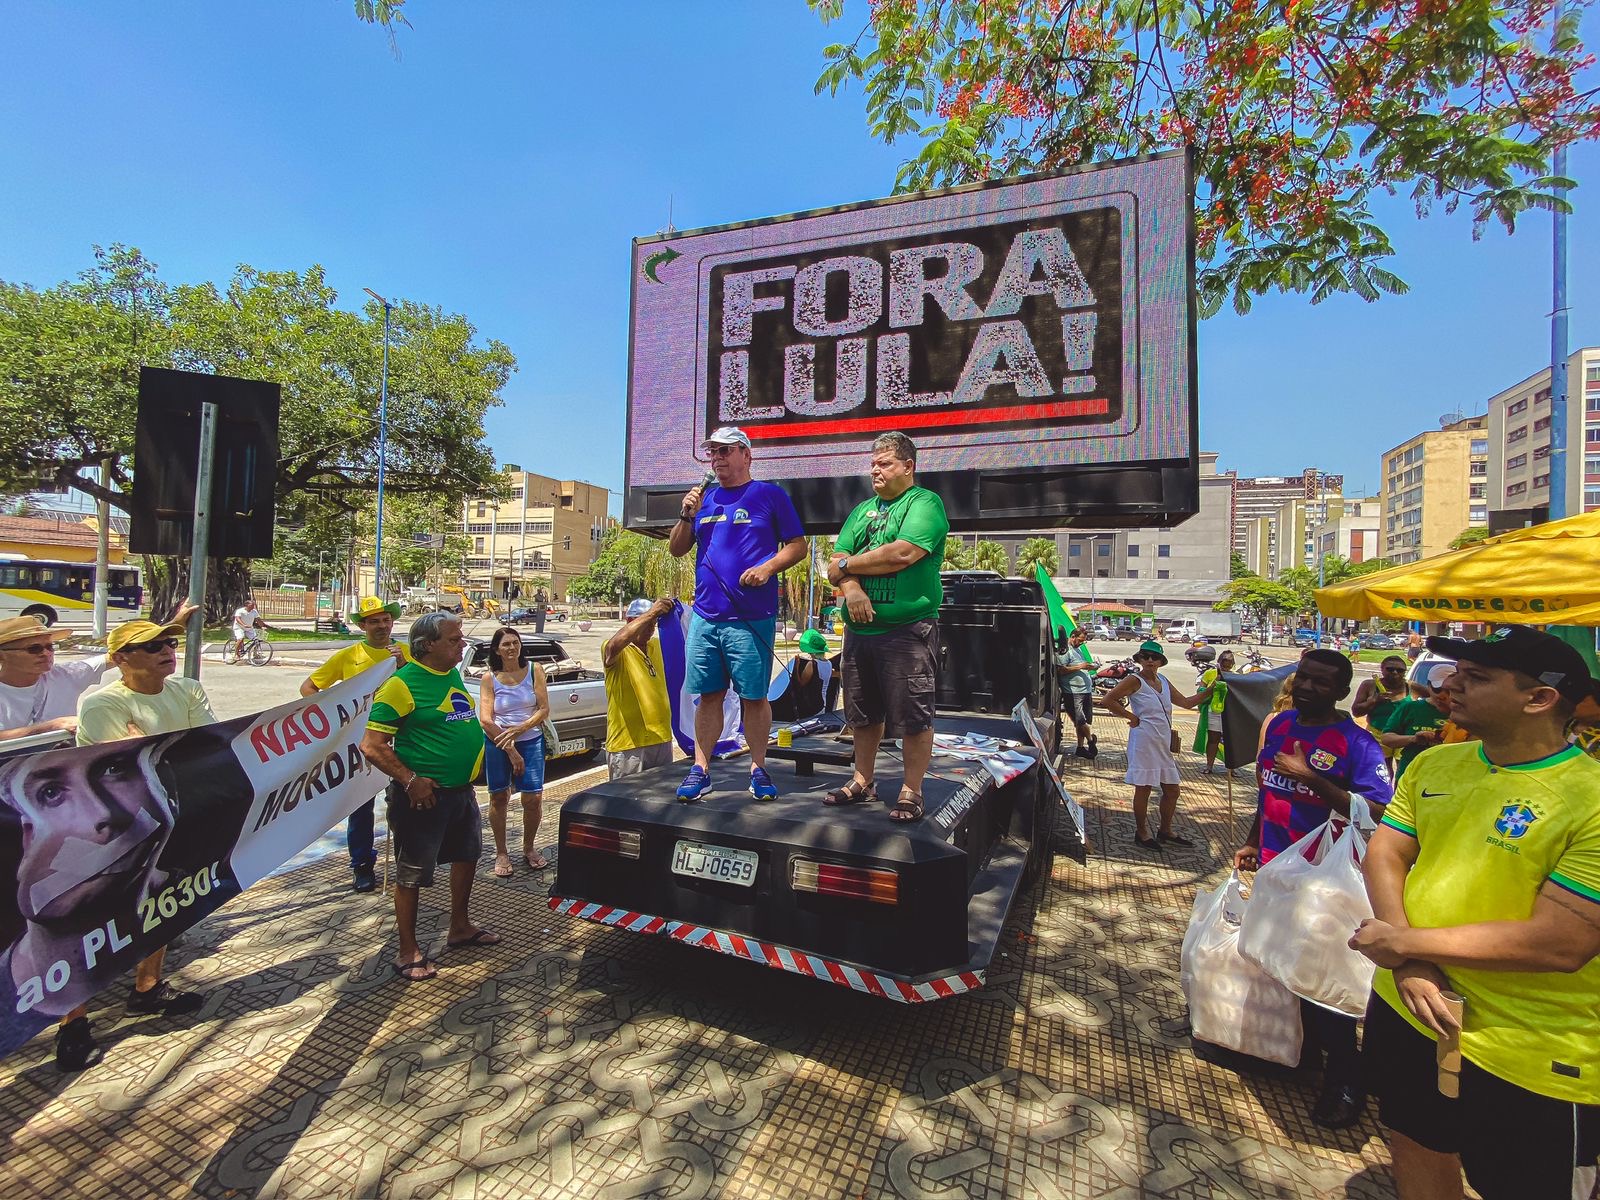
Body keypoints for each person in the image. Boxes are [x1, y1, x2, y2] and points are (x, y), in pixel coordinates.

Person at [1350, 626, 1600, 1200]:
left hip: (1529, 1045)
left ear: (1540, 699)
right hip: (1409, 1006)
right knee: (1415, 1143)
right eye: (1456, 670)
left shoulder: (1588, 798)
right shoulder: (1437, 765)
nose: (1450, 684)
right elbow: (1386, 852)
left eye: (1478, 678)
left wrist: (1408, 948)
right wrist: (1407, 961)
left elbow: (1562, 942)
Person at [1232, 647, 1394, 1129]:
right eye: (1303, 678)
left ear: (1342, 692)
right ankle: (1298, 1055)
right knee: (1280, 960)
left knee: (1324, 979)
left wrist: (1314, 780)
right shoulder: (1280, 726)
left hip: (1325, 880)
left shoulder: (1357, 744)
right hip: (1276, 868)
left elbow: (1382, 813)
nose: (1307, 688)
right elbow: (1269, 792)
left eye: (1321, 683)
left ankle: (1346, 1082)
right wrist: (1251, 839)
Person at [52, 616, 217, 1072]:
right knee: (89, 921)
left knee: (161, 905)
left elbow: (207, 748)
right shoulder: (101, 702)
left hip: (169, 820)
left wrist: (156, 749)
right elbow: (129, 766)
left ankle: (147, 989)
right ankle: (73, 1022)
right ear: (121, 659)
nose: (167, 649)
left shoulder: (186, 689)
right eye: (151, 645)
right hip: (104, 830)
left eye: (168, 641)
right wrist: (165, 752)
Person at [667, 426, 806, 802]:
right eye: (713, 452)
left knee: (753, 697)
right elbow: (677, 550)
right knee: (708, 697)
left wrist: (768, 567)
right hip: (705, 617)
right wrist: (685, 516)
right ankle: (700, 769)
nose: (717, 458)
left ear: (746, 454)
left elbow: (798, 546)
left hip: (750, 617)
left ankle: (758, 769)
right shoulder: (705, 501)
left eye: (725, 451)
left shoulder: (769, 495)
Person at [359, 612, 500, 982]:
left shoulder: (451, 673)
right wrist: (410, 780)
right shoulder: (400, 687)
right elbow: (372, 745)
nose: (462, 645)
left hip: (461, 794)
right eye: (454, 640)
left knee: (467, 857)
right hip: (423, 799)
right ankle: (408, 951)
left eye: (460, 638)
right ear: (428, 646)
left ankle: (460, 927)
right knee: (412, 875)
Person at [822, 432, 950, 822]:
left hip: (908, 630)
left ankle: (912, 790)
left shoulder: (925, 503)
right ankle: (863, 780)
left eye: (885, 463)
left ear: (908, 467)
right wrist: (852, 588)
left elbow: (903, 553)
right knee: (861, 714)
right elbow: (833, 562)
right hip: (860, 634)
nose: (875, 470)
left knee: (914, 716)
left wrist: (846, 568)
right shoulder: (862, 510)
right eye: (873, 464)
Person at [299, 596, 409, 893]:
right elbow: (309, 687)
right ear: (363, 625)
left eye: (386, 620)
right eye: (374, 621)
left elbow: (419, 688)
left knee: (401, 803)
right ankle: (362, 866)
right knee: (360, 808)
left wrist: (402, 664)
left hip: (399, 740)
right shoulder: (348, 657)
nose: (382, 626)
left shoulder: (406, 653)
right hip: (359, 745)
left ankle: (406, 862)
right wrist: (333, 720)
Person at [1, 603, 197, 743]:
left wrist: (171, 627)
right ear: (3, 656)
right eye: (34, 649)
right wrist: (53, 726)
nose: (46, 654)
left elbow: (122, 652)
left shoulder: (65, 674)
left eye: (50, 647)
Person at [1099, 640, 1203, 849]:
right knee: (1144, 788)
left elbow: (1186, 703)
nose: (1149, 661)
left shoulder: (1163, 680)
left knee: (1172, 790)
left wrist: (1213, 691)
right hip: (1144, 741)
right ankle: (1142, 832)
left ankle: (1165, 830)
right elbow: (1108, 700)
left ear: (1160, 662)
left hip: (1163, 743)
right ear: (1139, 659)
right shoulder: (1134, 680)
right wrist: (1131, 717)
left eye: (1154, 657)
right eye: (1145, 656)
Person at [478, 626, 549, 876]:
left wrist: (522, 728)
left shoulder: (534, 670)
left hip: (531, 739)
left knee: (533, 798)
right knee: (499, 797)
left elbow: (543, 709)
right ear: (497, 649)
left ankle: (529, 848)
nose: (512, 648)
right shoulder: (489, 678)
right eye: (506, 644)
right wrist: (510, 748)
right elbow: (486, 719)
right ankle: (501, 852)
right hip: (498, 742)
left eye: (515, 643)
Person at [602, 598, 676, 780]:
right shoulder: (617, 649)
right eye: (646, 622)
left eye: (654, 623)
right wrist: (652, 612)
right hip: (628, 746)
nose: (651, 628)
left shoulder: (657, 646)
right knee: (628, 804)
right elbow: (613, 647)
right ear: (630, 622)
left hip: (661, 739)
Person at [1375, 663, 1454, 781]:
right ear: (1428, 685)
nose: (1442, 695)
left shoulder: (1465, 713)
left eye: (1449, 691)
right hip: (1410, 775)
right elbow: (1387, 738)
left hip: (1446, 777)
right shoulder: (1411, 708)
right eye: (1437, 689)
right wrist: (1413, 738)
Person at [1056, 628, 1098, 760]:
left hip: (1085, 690)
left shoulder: (1078, 649)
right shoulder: (1065, 651)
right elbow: (1061, 670)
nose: (1081, 643)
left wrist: (1090, 666)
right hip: (1073, 692)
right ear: (1072, 636)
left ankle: (1080, 747)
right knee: (1080, 720)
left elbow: (1081, 665)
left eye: (1083, 642)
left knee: (1081, 723)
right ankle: (1090, 740)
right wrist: (1080, 667)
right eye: (1079, 640)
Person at [1193, 649, 1234, 774]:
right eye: (1223, 666)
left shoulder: (1235, 676)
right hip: (1213, 712)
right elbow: (1201, 691)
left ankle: (1231, 769)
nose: (1225, 669)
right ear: (1219, 663)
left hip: (1229, 713)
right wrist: (1214, 684)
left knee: (1231, 741)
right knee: (1213, 739)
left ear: (1232, 665)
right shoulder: (1209, 674)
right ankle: (1209, 766)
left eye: (1228, 666)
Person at [1351, 654, 1408, 741]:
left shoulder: (1411, 687)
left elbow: (1433, 696)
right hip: (1376, 736)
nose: (1395, 672)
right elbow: (1356, 712)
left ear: (1405, 672)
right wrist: (1373, 701)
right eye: (1390, 669)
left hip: (1403, 737)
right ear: (1382, 669)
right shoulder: (1370, 685)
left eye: (1400, 670)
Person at [230, 598, 273, 663]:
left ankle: (255, 654)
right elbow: (237, 619)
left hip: (249, 628)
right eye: (252, 605)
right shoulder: (240, 611)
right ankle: (236, 654)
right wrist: (244, 625)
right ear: (247, 605)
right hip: (239, 627)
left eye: (253, 605)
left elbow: (258, 620)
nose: (253, 606)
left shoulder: (254, 611)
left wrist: (262, 626)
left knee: (257, 640)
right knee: (240, 639)